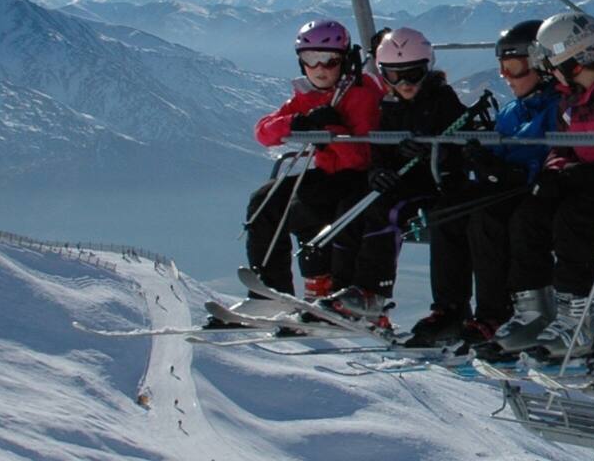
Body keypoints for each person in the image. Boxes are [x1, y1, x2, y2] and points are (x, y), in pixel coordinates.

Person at [493, 12, 594, 359]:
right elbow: (561, 145)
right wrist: (556, 171)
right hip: (584, 181)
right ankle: (533, 310)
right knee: (529, 214)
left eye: (550, 62)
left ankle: (577, 319)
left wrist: (590, 174)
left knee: (572, 217)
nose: (547, 71)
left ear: (574, 60)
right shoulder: (570, 97)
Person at [399, 20, 555, 350]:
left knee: (488, 218)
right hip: (505, 183)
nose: (508, 78)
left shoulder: (555, 106)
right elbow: (499, 150)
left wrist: (499, 167)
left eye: (515, 68)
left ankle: (494, 312)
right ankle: (450, 308)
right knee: (448, 209)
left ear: (542, 64)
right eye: (503, 70)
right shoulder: (515, 109)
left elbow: (546, 154)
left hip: (533, 189)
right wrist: (476, 157)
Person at [223, 19, 380, 329]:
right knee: (265, 200)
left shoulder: (362, 92)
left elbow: (360, 156)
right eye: (310, 59)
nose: (319, 68)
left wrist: (331, 129)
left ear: (344, 60)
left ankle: (335, 294)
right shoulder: (307, 95)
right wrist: (298, 123)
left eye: (329, 60)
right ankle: (271, 291)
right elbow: (263, 132)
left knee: (311, 205)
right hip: (328, 173)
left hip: (362, 176)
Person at [315, 27, 465, 334]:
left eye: (413, 74)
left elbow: (460, 144)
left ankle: (373, 293)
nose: (405, 84)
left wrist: (431, 148)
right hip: (401, 179)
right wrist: (377, 170)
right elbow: (380, 148)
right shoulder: (390, 105)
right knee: (351, 206)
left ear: (428, 68)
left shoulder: (442, 101)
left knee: (389, 211)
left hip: (431, 185)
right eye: (395, 76)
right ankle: (344, 292)